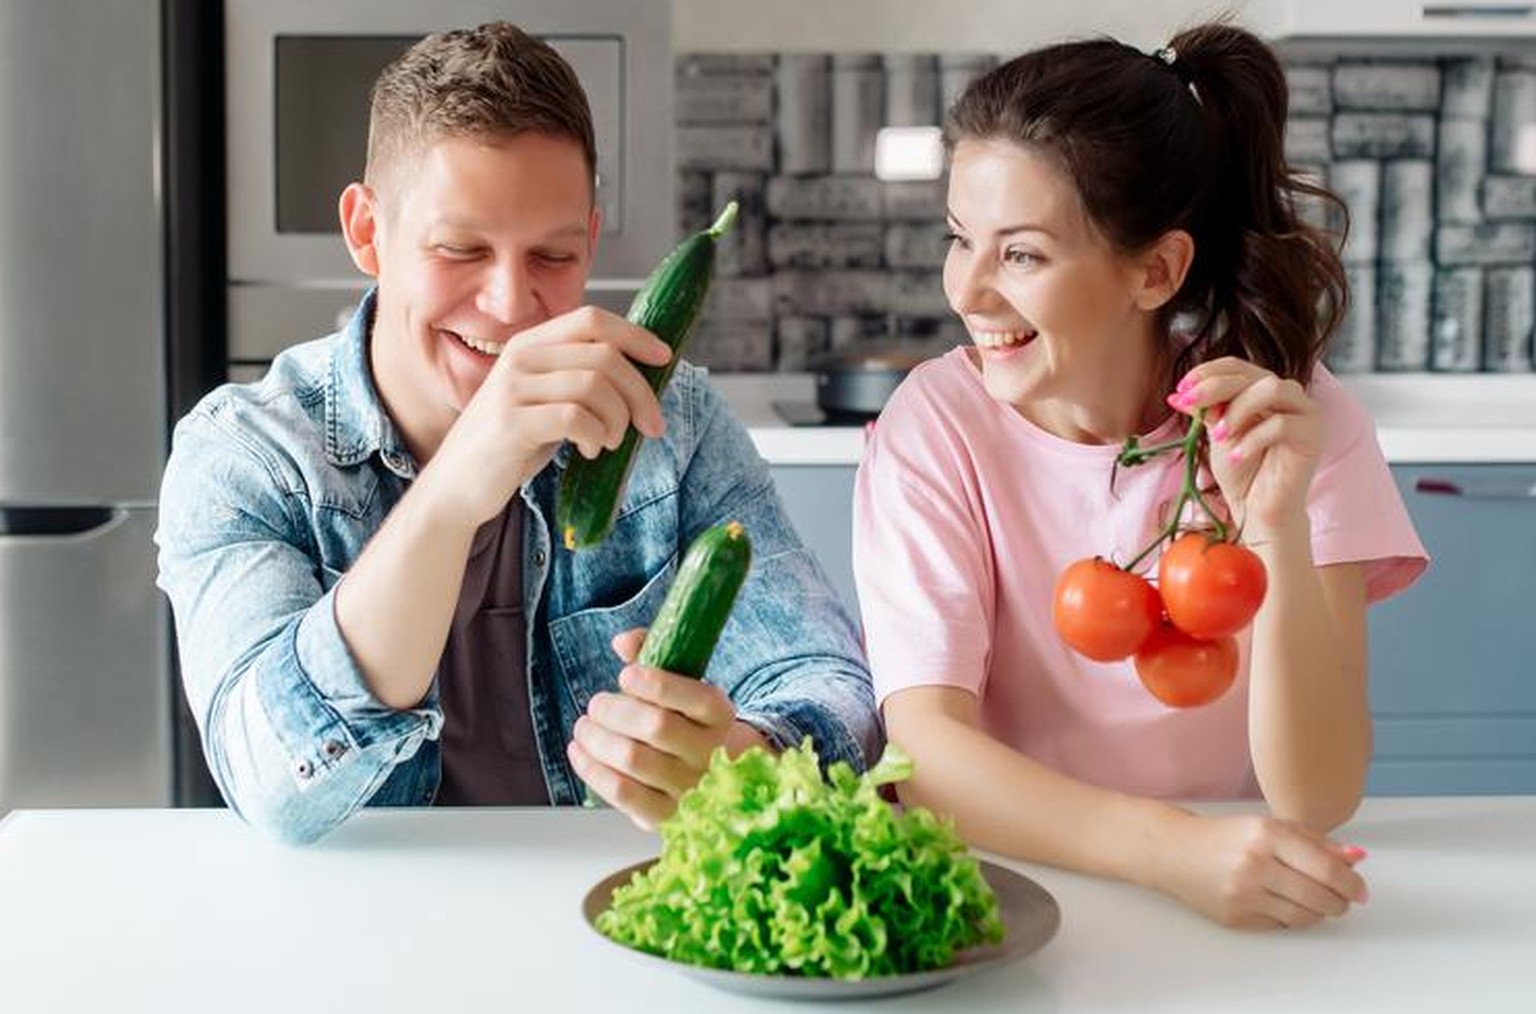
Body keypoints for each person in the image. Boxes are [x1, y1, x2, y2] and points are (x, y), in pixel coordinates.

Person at [156, 22, 878, 845]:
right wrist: (460, 485)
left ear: (592, 239)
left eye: (553, 256)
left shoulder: (673, 424)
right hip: (353, 937)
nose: (509, 302)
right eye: (461, 249)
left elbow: (834, 687)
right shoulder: (244, 455)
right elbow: (272, 783)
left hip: (603, 919)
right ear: (367, 232)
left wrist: (742, 757)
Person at [853, 22, 1428, 929]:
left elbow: (1317, 795)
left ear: (1156, 269)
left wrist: (1272, 523)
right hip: (1000, 894)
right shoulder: (937, 427)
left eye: (1022, 254)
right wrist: (1168, 850)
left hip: (1217, 891)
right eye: (962, 239)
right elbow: (926, 754)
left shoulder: (1291, 423)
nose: (965, 292)